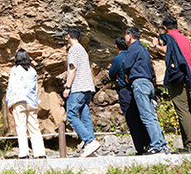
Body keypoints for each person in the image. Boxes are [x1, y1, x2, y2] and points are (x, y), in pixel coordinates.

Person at [156, 16, 191, 147]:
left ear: (165, 27)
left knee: (183, 110)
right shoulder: (185, 39)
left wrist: (156, 46)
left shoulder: (168, 37)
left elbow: (169, 51)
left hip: (178, 76)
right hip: (190, 75)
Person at [122, 27, 170, 154]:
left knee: (146, 116)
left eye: (125, 36)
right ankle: (161, 143)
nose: (125, 39)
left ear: (129, 36)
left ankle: (155, 145)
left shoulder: (133, 48)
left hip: (139, 83)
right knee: (152, 116)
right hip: (148, 82)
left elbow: (126, 64)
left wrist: (126, 73)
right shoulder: (143, 48)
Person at [108, 37, 149, 155]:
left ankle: (140, 148)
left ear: (116, 46)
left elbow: (111, 74)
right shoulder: (134, 54)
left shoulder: (118, 58)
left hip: (125, 90)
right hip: (139, 87)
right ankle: (149, 143)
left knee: (132, 119)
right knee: (143, 115)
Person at [64, 27, 100, 157]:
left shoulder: (73, 50)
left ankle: (89, 141)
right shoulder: (83, 50)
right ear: (79, 37)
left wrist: (67, 87)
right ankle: (90, 146)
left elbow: (73, 69)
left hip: (78, 87)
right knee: (85, 117)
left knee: (71, 115)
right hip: (87, 87)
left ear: (68, 36)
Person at [6, 49, 46, 159]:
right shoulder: (32, 70)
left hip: (19, 101)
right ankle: (40, 152)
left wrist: (8, 102)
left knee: (21, 127)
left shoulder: (15, 69)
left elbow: (11, 86)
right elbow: (35, 88)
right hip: (32, 102)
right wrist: (36, 101)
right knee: (34, 128)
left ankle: (24, 153)